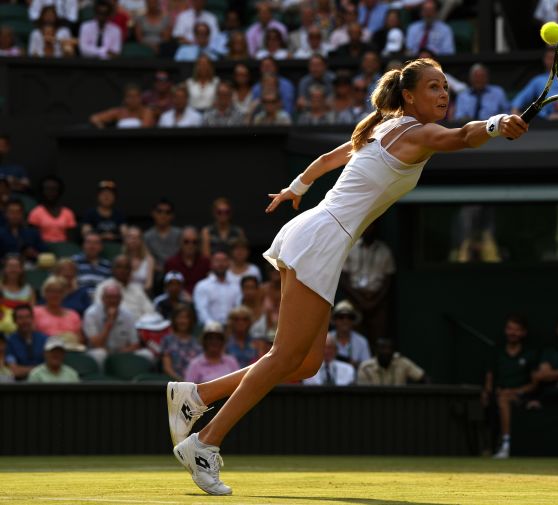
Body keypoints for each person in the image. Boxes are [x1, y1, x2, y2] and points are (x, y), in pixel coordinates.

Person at [167, 57, 527, 495]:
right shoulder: (417, 132)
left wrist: (296, 188)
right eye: (433, 87)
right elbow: (462, 136)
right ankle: (205, 442)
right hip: (322, 237)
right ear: (409, 95)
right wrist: (494, 124)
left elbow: (326, 159)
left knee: (306, 363)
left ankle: (197, 396)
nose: (443, 94)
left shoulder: (381, 125)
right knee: (284, 355)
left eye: (445, 87)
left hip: (318, 233)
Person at [481, 315, 538, 459]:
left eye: (517, 330)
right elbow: (490, 376)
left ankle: (506, 444)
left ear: (524, 332)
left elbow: (534, 384)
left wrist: (515, 391)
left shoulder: (530, 353)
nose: (513, 333)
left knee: (504, 398)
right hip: (499, 394)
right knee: (499, 398)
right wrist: (488, 392)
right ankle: (488, 445)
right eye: (510, 329)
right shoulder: (497, 351)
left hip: (522, 395)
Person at [339, 223, 394, 346]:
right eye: (366, 226)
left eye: (371, 226)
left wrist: (373, 302)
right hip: (355, 298)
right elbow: (343, 279)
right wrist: (360, 300)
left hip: (377, 299)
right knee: (354, 336)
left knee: (379, 337)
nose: (368, 229)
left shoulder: (384, 251)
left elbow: (388, 282)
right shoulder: (351, 248)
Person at [84, 283, 151, 369]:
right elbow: (96, 344)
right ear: (102, 298)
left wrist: (120, 353)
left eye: (116, 297)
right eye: (109, 297)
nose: (113, 300)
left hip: (122, 353)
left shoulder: (128, 315)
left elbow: (135, 344)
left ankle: (138, 379)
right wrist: (109, 322)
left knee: (147, 354)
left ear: (121, 299)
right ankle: (100, 380)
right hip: (99, 352)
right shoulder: (91, 314)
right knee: (100, 354)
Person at [511, 48, 558, 120]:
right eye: (549, 58)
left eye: (554, 58)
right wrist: (515, 112)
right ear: (544, 60)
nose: (552, 61)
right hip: (544, 118)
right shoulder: (538, 80)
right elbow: (522, 97)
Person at [94, 255, 155, 320]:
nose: (123, 270)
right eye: (119, 267)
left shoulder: (137, 288)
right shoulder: (103, 287)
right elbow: (99, 312)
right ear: (113, 269)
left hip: (141, 325)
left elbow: (150, 311)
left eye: (126, 267)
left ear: (130, 270)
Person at [34, 276, 83, 350]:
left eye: (59, 292)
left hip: (70, 352)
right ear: (45, 293)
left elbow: (80, 340)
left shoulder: (73, 315)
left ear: (64, 294)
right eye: (51, 291)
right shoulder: (35, 312)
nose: (55, 295)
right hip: (43, 351)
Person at [193, 251, 240, 325]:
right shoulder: (202, 286)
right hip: (209, 329)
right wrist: (213, 326)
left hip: (233, 328)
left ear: (228, 263)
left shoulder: (237, 285)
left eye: (224, 261)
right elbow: (202, 311)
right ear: (211, 264)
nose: (220, 264)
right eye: (217, 261)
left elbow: (238, 307)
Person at [27, 176, 76, 243]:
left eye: (54, 189)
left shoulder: (68, 213)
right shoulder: (35, 212)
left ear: (59, 191)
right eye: (47, 189)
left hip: (63, 249)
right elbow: (33, 238)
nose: (50, 192)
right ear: (42, 191)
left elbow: (71, 239)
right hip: (43, 248)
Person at [4, 304, 48, 380]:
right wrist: (39, 369)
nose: (25, 321)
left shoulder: (44, 339)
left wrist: (25, 369)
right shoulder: (9, 342)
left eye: (27, 317)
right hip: (20, 386)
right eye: (20, 318)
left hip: (44, 382)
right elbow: (14, 371)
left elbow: (52, 367)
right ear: (14, 321)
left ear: (32, 319)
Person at [357, 338, 426, 385]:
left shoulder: (401, 362)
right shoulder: (366, 368)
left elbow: (423, 378)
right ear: (376, 351)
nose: (387, 351)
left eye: (389, 348)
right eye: (383, 348)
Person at [144, 199, 182, 284]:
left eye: (167, 212)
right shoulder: (147, 236)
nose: (163, 215)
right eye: (159, 211)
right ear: (153, 213)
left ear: (172, 215)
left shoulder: (180, 235)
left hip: (177, 274)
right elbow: (146, 258)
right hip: (155, 275)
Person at [161, 304, 203, 380]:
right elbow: (167, 368)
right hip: (176, 383)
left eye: (186, 318)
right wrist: (182, 381)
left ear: (190, 321)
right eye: (180, 317)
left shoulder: (197, 342)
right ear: (174, 320)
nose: (183, 321)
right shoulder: (167, 340)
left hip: (196, 382)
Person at [165, 227, 210, 294]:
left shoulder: (205, 262)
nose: (190, 245)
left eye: (194, 242)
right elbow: (169, 287)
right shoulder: (171, 263)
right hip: (179, 300)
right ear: (180, 242)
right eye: (186, 242)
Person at [327, 300, 371, 368]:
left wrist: (355, 365)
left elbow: (367, 367)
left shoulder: (362, 342)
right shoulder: (326, 339)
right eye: (341, 317)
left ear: (353, 320)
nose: (345, 320)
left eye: (349, 317)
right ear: (335, 320)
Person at [90, 84, 155, 129]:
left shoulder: (146, 111)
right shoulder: (119, 111)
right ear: (124, 99)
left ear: (141, 98)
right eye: (130, 97)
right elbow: (94, 118)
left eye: (136, 96)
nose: (133, 100)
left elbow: (145, 129)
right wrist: (102, 128)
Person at [0, 255, 36, 333]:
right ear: (5, 269)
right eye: (10, 267)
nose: (13, 270)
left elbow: (31, 312)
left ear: (21, 270)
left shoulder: (29, 289)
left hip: (23, 327)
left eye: (16, 267)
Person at [73, 232, 112, 299]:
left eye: (96, 243)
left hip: (101, 301)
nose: (92, 246)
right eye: (88, 242)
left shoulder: (107, 265)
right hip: (80, 301)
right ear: (83, 245)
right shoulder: (74, 262)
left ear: (101, 247)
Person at [123, 226, 155, 293]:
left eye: (137, 237)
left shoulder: (149, 260)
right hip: (125, 294)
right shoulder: (122, 259)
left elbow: (149, 285)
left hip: (143, 295)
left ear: (141, 240)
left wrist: (138, 295)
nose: (133, 240)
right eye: (130, 237)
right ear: (126, 240)